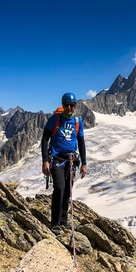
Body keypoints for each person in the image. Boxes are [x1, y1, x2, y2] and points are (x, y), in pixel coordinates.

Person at [41, 92, 87, 235]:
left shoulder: (78, 122)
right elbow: (45, 139)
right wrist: (45, 160)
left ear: (75, 106)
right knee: (60, 188)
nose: (69, 108)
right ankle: (54, 223)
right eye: (66, 105)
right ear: (63, 105)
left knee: (68, 190)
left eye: (71, 105)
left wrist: (84, 163)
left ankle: (63, 220)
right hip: (57, 159)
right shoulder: (55, 119)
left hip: (71, 161)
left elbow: (81, 143)